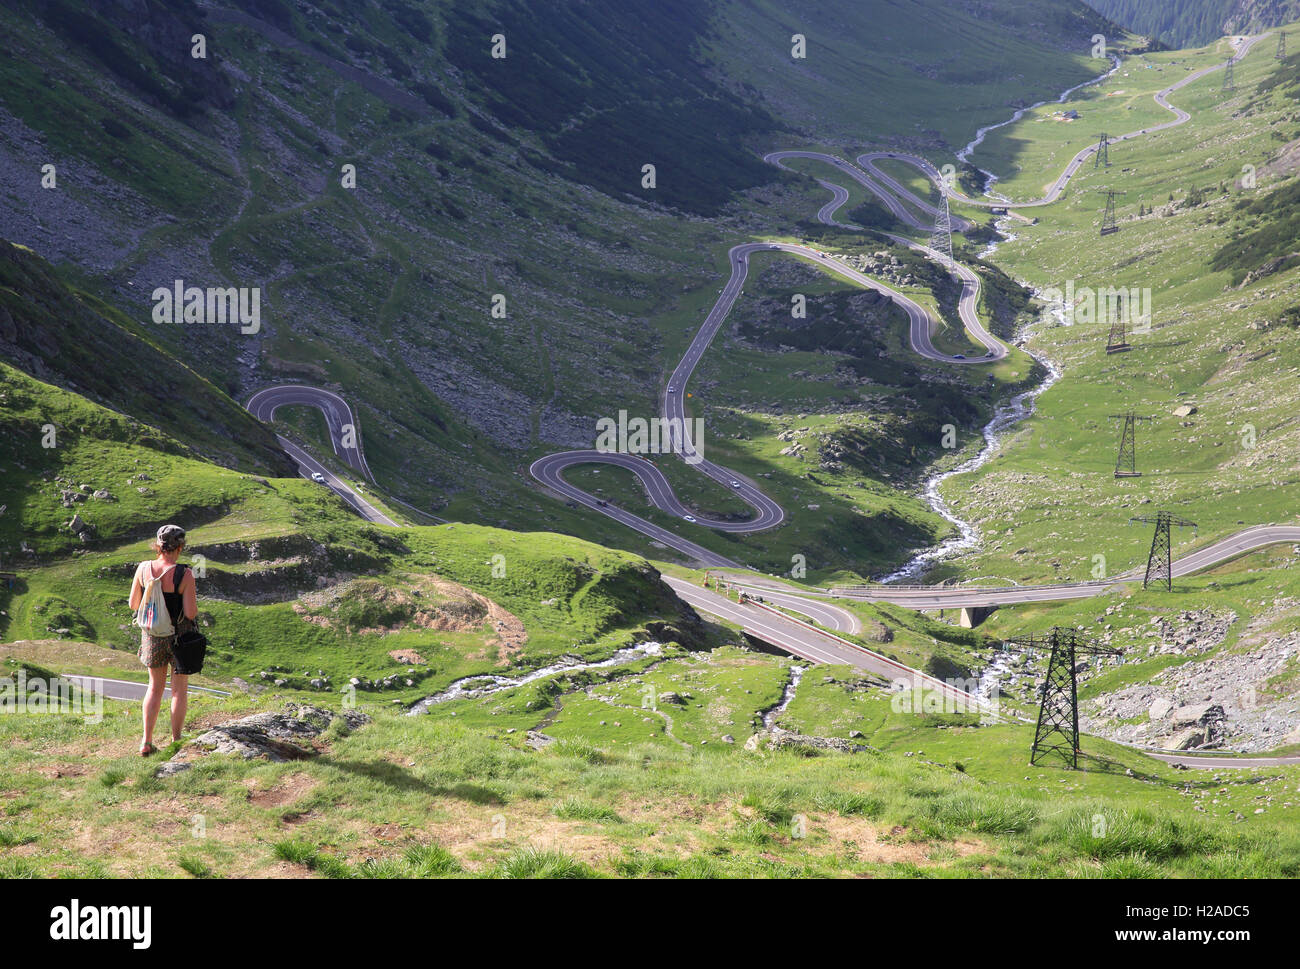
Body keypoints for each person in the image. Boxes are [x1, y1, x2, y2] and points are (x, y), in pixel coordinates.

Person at [128, 524, 198, 756]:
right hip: (179, 639)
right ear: (180, 547)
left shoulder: (143, 569)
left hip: (152, 637)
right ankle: (176, 739)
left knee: (154, 688)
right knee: (178, 691)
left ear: (158, 546)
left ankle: (146, 741)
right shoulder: (184, 574)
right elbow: (190, 613)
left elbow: (133, 605)